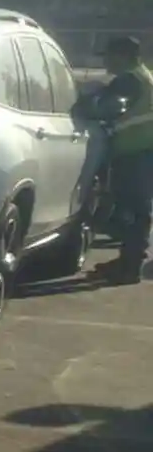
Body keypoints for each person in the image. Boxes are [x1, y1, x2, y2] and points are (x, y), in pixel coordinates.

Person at [91, 35, 153, 285]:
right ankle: (128, 260)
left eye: (109, 56)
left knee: (133, 210)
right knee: (134, 209)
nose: (106, 61)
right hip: (141, 150)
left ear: (123, 57)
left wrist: (90, 101)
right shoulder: (142, 76)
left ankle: (130, 266)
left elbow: (102, 107)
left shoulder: (127, 81)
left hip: (136, 151)